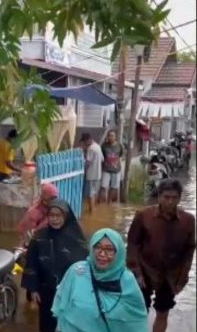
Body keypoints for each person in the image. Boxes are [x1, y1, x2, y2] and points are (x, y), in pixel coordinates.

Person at [126, 179, 195, 332]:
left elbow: (189, 250)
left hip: (171, 275)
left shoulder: (188, 220)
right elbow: (132, 244)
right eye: (166, 197)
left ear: (180, 198)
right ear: (159, 197)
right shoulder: (144, 216)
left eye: (174, 197)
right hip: (145, 271)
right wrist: (136, 272)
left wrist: (183, 277)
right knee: (139, 311)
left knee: (163, 312)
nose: (170, 202)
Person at [52, 228, 148, 332]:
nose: (102, 254)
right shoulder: (76, 272)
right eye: (97, 247)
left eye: (109, 249)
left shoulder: (127, 280)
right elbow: (61, 308)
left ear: (119, 252)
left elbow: (137, 322)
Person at [21, 199, 88, 332]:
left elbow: (85, 266)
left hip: (70, 292)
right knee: (47, 323)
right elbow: (31, 263)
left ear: (66, 216)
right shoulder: (39, 237)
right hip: (47, 290)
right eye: (51, 215)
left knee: (69, 324)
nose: (54, 219)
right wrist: (33, 289)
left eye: (58, 216)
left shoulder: (76, 238)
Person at [0, 129, 21, 229]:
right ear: (14, 138)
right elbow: (8, 163)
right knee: (2, 197)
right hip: (2, 175)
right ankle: (0, 219)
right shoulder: (9, 147)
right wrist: (20, 170)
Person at [80, 132, 104, 213]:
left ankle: (91, 210)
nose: (84, 143)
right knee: (94, 192)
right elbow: (102, 159)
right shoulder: (98, 146)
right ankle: (94, 209)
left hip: (91, 175)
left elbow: (88, 162)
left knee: (90, 194)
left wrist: (81, 169)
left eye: (84, 141)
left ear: (88, 140)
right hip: (98, 174)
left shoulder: (90, 149)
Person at [100, 130, 124, 204]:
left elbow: (120, 155)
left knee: (113, 187)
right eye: (109, 135)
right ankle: (102, 202)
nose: (110, 137)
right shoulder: (104, 145)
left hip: (116, 170)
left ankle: (109, 202)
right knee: (103, 186)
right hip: (106, 169)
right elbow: (102, 156)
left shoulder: (119, 146)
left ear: (115, 137)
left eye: (112, 136)